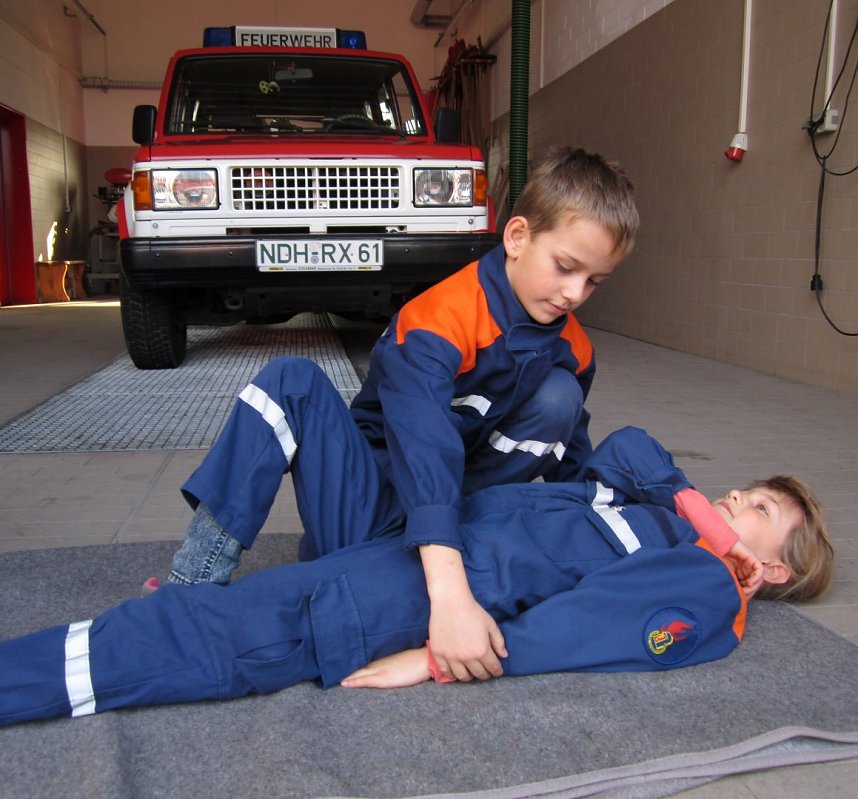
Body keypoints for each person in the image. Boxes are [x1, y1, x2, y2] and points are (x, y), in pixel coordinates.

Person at [159, 146, 641, 683]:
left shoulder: (575, 351)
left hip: (466, 525)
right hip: (371, 512)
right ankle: (190, 589)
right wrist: (452, 599)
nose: (576, 293)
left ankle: (419, 579)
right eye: (566, 268)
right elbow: (425, 449)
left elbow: (572, 467)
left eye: (595, 281)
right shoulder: (438, 318)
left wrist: (602, 550)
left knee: (559, 399)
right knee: (290, 381)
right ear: (518, 238)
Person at [0, 426, 833, 727]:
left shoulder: (706, 582)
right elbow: (630, 445)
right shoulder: (668, 512)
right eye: (744, 491)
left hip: (418, 596)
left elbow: (586, 626)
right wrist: (706, 510)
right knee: (208, 616)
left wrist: (436, 657)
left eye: (756, 508)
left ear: (769, 569)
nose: (734, 498)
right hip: (415, 545)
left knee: (190, 634)